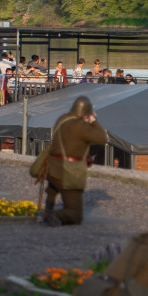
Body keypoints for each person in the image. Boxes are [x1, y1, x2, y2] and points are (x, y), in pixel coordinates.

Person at [43, 96, 108, 227]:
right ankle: (54, 215)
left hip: (51, 168)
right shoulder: (81, 126)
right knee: (76, 215)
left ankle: (49, 203)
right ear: (86, 112)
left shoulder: (62, 119)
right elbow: (102, 138)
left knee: (55, 184)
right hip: (68, 172)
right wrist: (93, 121)